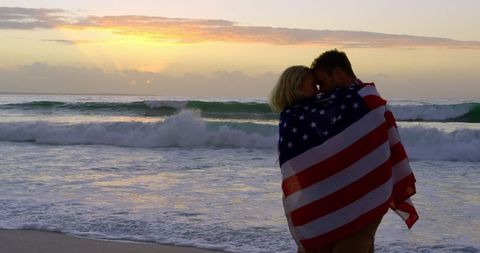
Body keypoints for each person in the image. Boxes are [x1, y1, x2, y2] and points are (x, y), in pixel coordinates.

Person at [269, 50, 418, 253]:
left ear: (338, 73)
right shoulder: (303, 114)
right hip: (323, 197)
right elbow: (303, 161)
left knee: (356, 241)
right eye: (314, 85)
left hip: (363, 194)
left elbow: (368, 143)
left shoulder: (361, 100)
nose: (320, 90)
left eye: (320, 82)